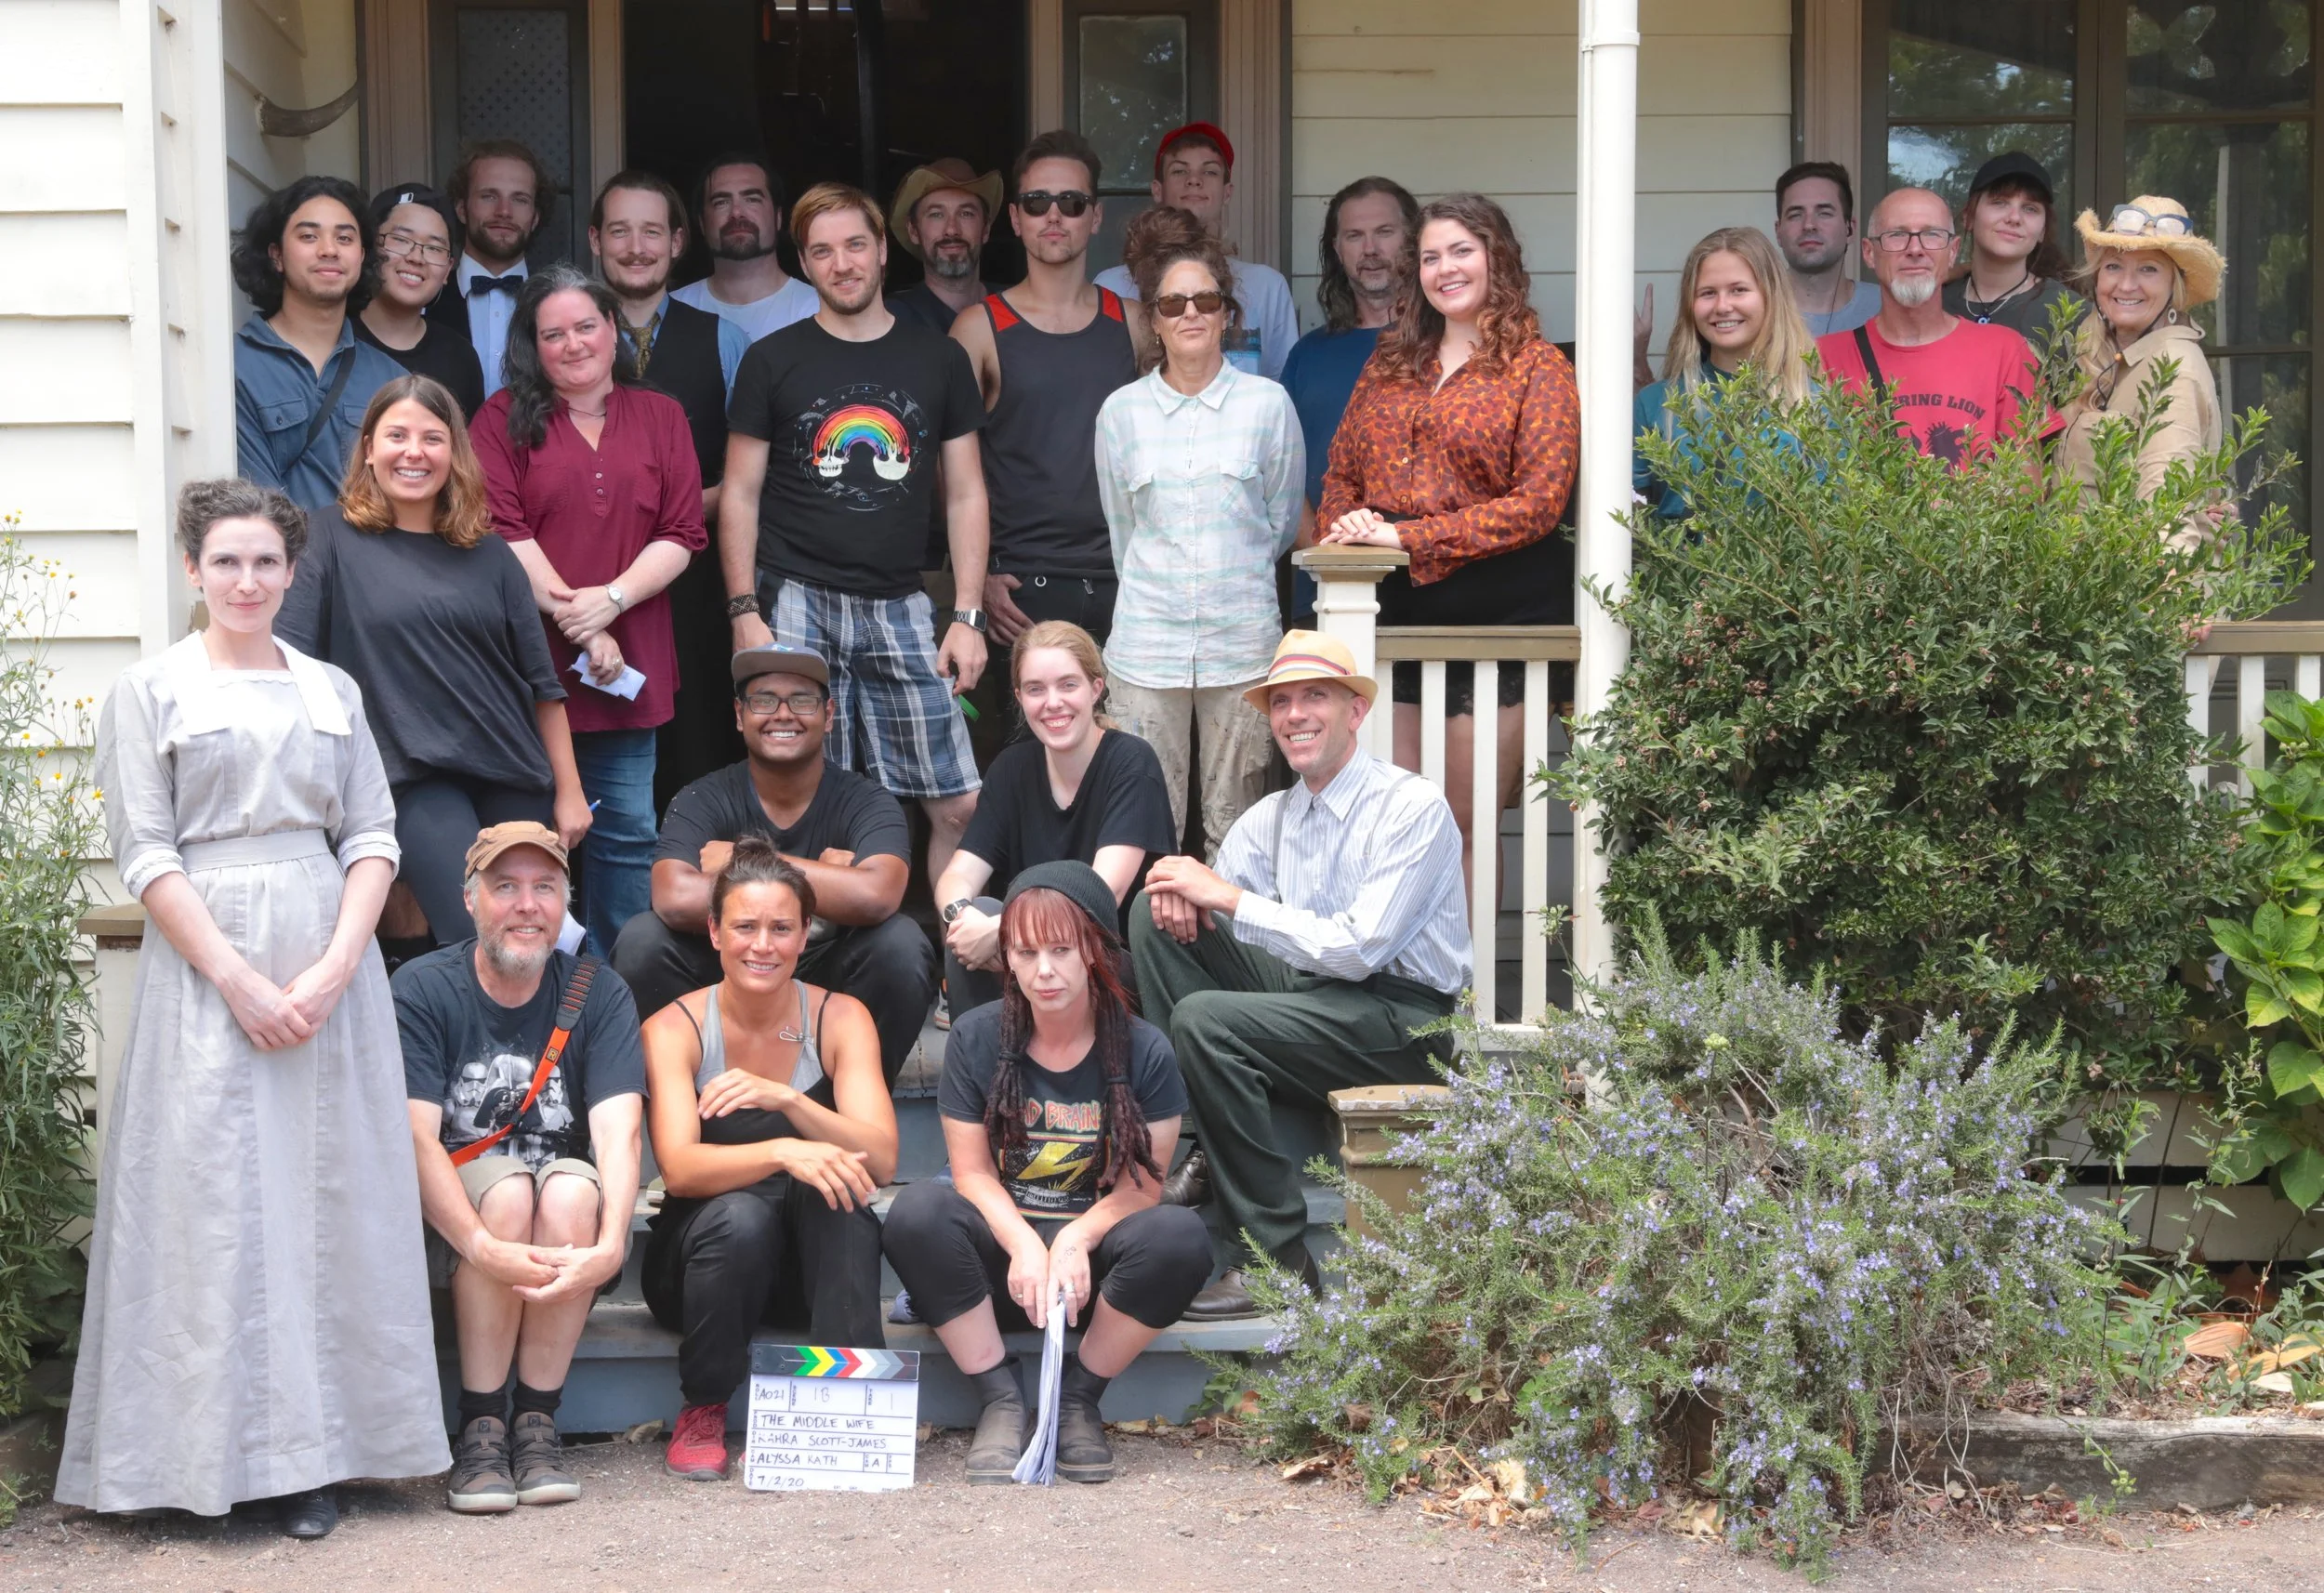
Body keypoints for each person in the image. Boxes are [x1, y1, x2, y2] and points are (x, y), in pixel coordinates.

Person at [59, 479, 447, 1535]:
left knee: (330, 1201)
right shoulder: (152, 690)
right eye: (225, 561)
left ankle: (322, 1455)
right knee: (216, 1204)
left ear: (291, 572)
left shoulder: (331, 689)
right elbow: (143, 849)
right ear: (193, 570)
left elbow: (371, 832)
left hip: (329, 955)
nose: (245, 580)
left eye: (265, 562)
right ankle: (205, 1457)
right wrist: (236, 977)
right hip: (208, 961)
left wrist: (330, 967)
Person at [1129, 632, 1470, 1322]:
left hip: (1403, 1025)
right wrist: (1174, 887)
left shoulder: (1412, 808)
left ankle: (1276, 1264)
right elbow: (1217, 917)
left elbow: (1359, 950)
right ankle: (1208, 1142)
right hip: (1315, 1006)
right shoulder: (1272, 819)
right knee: (1153, 918)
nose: (1294, 715)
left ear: (1355, 711)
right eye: (1281, 702)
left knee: (1205, 1018)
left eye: (1315, 696)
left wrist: (1223, 896)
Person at [884, 861, 1211, 1484]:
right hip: (1001, 1279)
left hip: (1095, 1286)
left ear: (1094, 950)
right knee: (917, 1212)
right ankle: (1001, 1397)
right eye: (1025, 951)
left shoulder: (1146, 1051)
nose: (1043, 971)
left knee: (1180, 1236)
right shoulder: (977, 1040)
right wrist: (1024, 1246)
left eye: (1061, 950)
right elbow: (973, 1175)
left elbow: (1142, 1189)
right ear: (1006, 957)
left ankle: (1077, 1398)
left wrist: (1074, 1238)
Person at [721, 183, 991, 883]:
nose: (841, 264)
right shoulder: (772, 359)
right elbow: (740, 496)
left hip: (901, 602)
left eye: (854, 245)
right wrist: (744, 612)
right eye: (821, 251)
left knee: (958, 804)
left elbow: (964, 494)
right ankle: (815, 979)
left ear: (881, 250)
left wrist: (966, 616)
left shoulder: (937, 359)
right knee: (805, 807)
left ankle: (948, 973)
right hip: (796, 604)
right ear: (804, 265)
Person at [1315, 192, 1580, 888]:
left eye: (1462, 250)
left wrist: (1404, 535)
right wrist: (1344, 528)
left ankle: (1464, 997)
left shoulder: (1539, 367)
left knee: (1461, 821)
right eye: (1431, 256)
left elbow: (1539, 504)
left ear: (1498, 259)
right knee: (1395, 826)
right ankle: (1402, 993)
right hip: (1394, 619)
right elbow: (1340, 471)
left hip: (1499, 622)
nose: (1445, 268)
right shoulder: (1389, 362)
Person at [277, 373, 591, 944]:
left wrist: (568, 791)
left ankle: (538, 1037)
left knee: (540, 938)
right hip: (410, 774)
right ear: (368, 449)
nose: (414, 453)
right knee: (479, 934)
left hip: (513, 772)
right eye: (397, 435)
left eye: (432, 438)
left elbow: (542, 686)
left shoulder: (492, 554)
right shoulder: (325, 539)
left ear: (455, 454)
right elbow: (289, 666)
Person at [398, 822, 645, 1514]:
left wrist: (612, 1242)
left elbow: (619, 1130)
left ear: (567, 902)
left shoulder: (599, 989)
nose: (527, 905)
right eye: (505, 887)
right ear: (470, 899)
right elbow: (415, 1139)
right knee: (506, 1194)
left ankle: (536, 1421)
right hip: (462, 1208)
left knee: (570, 1189)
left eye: (545, 887)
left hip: (556, 1207)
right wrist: (480, 1246)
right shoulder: (422, 988)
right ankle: (481, 1424)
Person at [641, 840, 897, 1482]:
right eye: (745, 927)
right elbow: (678, 1168)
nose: (764, 945)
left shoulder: (841, 1016)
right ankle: (703, 1408)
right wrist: (783, 1148)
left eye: (782, 928)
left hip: (805, 1277)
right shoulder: (675, 1028)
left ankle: (846, 1411)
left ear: (806, 934)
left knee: (840, 1188)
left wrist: (788, 1100)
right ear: (714, 932)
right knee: (741, 1219)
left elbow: (884, 1157)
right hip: (702, 1271)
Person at [473, 267, 708, 954]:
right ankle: (528, 988)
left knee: (629, 833)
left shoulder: (660, 415)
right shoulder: (499, 418)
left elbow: (683, 531)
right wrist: (582, 622)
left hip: (629, 660)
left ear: (613, 329)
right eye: (554, 334)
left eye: (586, 326)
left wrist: (609, 605)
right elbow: (502, 528)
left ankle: (615, 991)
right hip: (525, 665)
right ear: (532, 345)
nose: (573, 344)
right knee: (526, 842)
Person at [613, 643, 940, 1085]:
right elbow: (673, 898)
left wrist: (746, 860)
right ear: (738, 714)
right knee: (643, 942)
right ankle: (693, 1104)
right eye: (764, 700)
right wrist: (828, 881)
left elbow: (876, 895)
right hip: (728, 974)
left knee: (901, 946)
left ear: (828, 715)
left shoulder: (867, 801)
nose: (782, 714)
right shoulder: (702, 798)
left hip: (825, 974)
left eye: (801, 700)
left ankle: (846, 1109)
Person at [1098, 210, 1301, 855]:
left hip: (1240, 643)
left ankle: (1233, 957)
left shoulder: (1267, 405)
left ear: (1225, 314)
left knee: (1238, 825)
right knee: (1143, 821)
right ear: (1153, 319)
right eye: (1173, 302)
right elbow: (1122, 533)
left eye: (1205, 299)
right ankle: (1148, 955)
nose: (1190, 312)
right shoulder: (1121, 412)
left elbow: (1279, 525)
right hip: (1146, 646)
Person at [588, 169, 755, 807]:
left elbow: (746, 477)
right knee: (600, 765)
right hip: (585, 594)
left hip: (697, 587)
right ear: (595, 240)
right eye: (621, 231)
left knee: (699, 749)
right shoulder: (561, 340)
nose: (636, 247)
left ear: (678, 242)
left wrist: (669, 526)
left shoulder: (724, 341)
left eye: (652, 231)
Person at [951, 130, 1143, 675]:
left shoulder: (1134, 325)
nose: (1054, 215)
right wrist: (977, 576)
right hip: (1018, 592)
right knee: (1031, 758)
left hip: (1125, 583)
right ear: (1015, 219)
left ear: (1096, 216)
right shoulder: (978, 328)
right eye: (1037, 203)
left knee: (1126, 755)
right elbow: (948, 467)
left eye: (1072, 202)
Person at [935, 622, 1175, 1012]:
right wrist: (961, 919)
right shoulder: (1012, 768)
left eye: (1068, 685)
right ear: (1019, 697)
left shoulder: (1131, 761)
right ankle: (986, 1069)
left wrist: (1005, 934)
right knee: (975, 918)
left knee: (993, 925)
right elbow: (958, 876)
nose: (1053, 702)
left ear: (1096, 689)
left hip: (1113, 964)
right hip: (1033, 962)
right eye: (1036, 689)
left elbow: (1101, 893)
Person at [1816, 187, 2046, 467]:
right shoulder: (1825, 358)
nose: (1915, 249)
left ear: (1953, 252)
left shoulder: (2007, 352)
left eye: (1932, 234)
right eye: (1897, 235)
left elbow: (2024, 489)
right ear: (1869, 252)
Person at [1279, 178, 1419, 623]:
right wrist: (1328, 559)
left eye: (1385, 232)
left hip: (1427, 588)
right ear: (1337, 250)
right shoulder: (1309, 354)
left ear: (1413, 240)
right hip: (1325, 590)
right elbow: (1282, 474)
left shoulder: (1447, 347)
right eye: (1355, 236)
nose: (1370, 249)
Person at [231, 175, 406, 511]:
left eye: (344, 238)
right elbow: (257, 508)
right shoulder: (236, 365)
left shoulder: (391, 379)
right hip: (279, 558)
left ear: (361, 256)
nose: (329, 250)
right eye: (309, 236)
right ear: (276, 256)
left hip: (371, 561)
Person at [2057, 197, 2225, 519]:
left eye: (2149, 269)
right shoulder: (2106, 356)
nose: (2127, 284)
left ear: (2173, 285)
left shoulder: (2173, 365)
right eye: (2113, 266)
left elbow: (2164, 518)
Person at [1631, 227, 1816, 520]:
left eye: (1738, 290)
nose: (1722, 306)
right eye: (1707, 293)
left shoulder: (1811, 402)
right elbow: (1629, 521)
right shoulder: (1654, 404)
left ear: (1771, 296)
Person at [1093, 123, 1299, 379]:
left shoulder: (1268, 287)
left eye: (1210, 172)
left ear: (1227, 192)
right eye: (1179, 171)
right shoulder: (1110, 287)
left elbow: (1282, 386)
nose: (1194, 180)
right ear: (1157, 189)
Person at [431, 140, 555, 396]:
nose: (504, 211)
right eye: (489, 196)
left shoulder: (560, 304)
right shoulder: (425, 299)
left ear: (535, 218)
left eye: (520, 199)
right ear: (462, 209)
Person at [356, 182, 487, 418]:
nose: (416, 257)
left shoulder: (459, 357)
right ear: (370, 248)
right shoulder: (335, 338)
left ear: (448, 271)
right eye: (401, 239)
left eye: (434, 248)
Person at [671, 152, 821, 344]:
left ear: (778, 217)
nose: (736, 213)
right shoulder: (671, 312)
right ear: (701, 223)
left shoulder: (818, 311)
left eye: (752, 199)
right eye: (721, 202)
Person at [1941, 152, 2080, 344]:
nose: (2014, 218)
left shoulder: (2070, 314)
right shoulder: (1933, 303)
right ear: (1969, 217)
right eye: (1999, 203)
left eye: (2030, 208)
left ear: (2043, 230)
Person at [887, 158, 1002, 335]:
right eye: (936, 214)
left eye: (966, 214)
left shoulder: (1010, 307)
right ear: (913, 231)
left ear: (985, 229)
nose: (951, 230)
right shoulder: (896, 318)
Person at [1775, 161, 1882, 337]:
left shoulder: (1887, 309)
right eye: (1795, 215)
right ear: (1778, 232)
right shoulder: (1752, 311)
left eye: (1824, 213)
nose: (1809, 225)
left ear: (1850, 229)